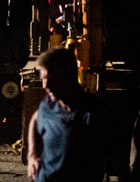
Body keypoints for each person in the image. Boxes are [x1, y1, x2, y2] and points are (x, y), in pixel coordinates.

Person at [26, 48, 109, 182]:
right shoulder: (48, 104)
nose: (46, 86)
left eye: (51, 79)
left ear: (68, 75)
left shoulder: (94, 113)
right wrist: (32, 154)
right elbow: (36, 118)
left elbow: (119, 160)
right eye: (43, 79)